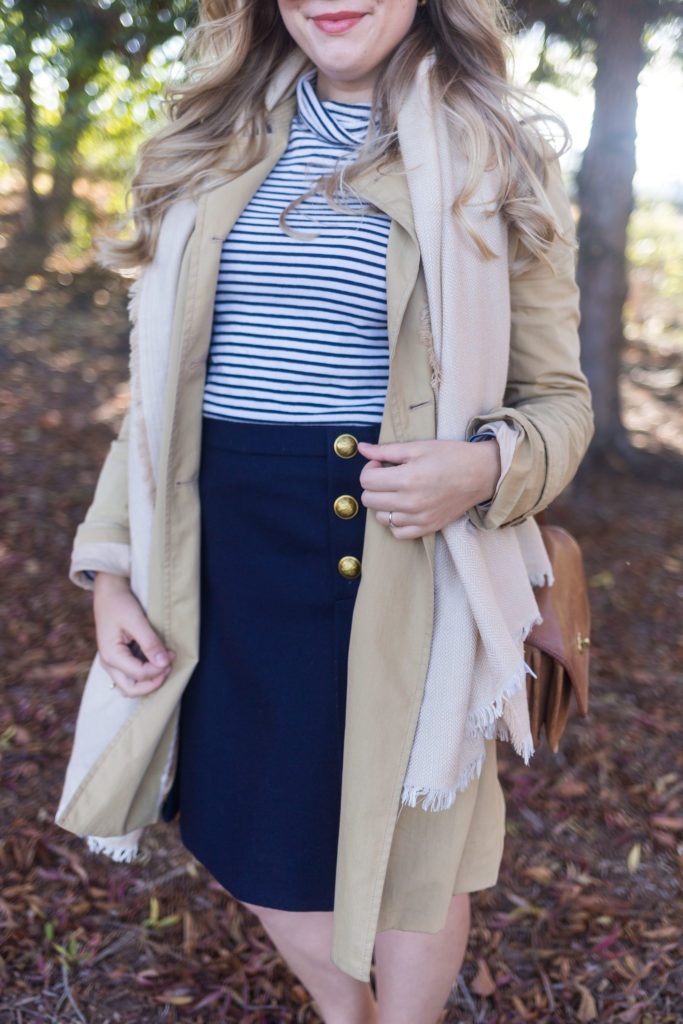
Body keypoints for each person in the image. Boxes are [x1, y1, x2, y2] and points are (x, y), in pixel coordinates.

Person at [56, 2, 593, 1022]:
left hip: (398, 552)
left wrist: (480, 468)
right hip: (216, 554)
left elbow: (559, 404)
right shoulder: (207, 140)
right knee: (240, 825)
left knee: (408, 844)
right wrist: (113, 566)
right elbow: (158, 391)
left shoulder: (496, 157)